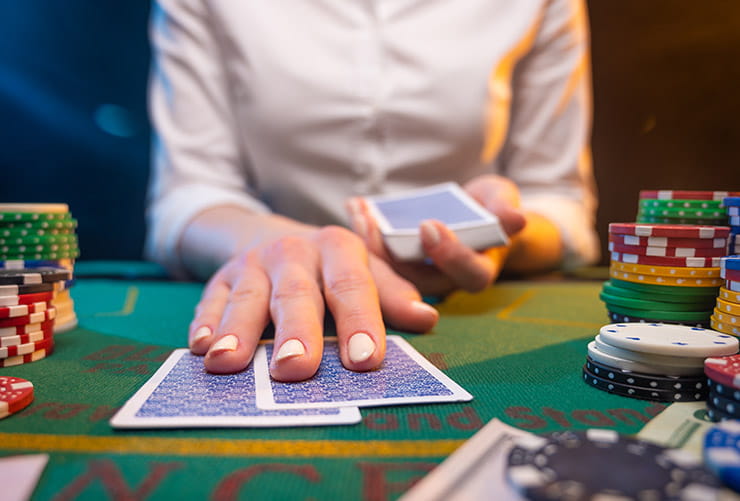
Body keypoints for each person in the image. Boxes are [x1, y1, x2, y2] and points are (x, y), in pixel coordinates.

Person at [145, 0, 600, 382]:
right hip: (273, 281)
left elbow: (559, 203)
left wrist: (501, 235)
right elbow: (188, 195)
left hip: (460, 303)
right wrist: (291, 247)